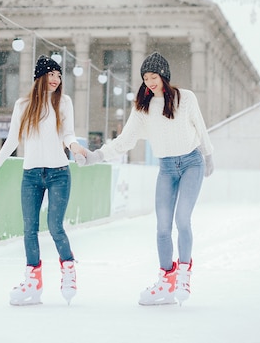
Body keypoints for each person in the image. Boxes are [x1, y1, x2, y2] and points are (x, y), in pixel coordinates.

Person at [75, 51, 214, 306]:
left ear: (164, 76)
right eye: (145, 78)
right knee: (162, 227)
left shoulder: (186, 98)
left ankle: (184, 273)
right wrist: (96, 156)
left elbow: (200, 127)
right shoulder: (143, 108)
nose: (149, 82)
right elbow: (124, 141)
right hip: (167, 169)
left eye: (153, 76)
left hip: (192, 163)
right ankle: (166, 279)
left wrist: (208, 155)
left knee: (182, 219)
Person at [0, 55, 84, 306]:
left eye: (59, 76)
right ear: (40, 77)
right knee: (29, 229)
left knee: (55, 225)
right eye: (51, 74)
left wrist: (74, 145)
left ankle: (68, 270)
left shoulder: (64, 102)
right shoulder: (23, 105)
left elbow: (67, 132)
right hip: (31, 175)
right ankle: (33, 282)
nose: (56, 80)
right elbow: (13, 139)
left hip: (59, 172)